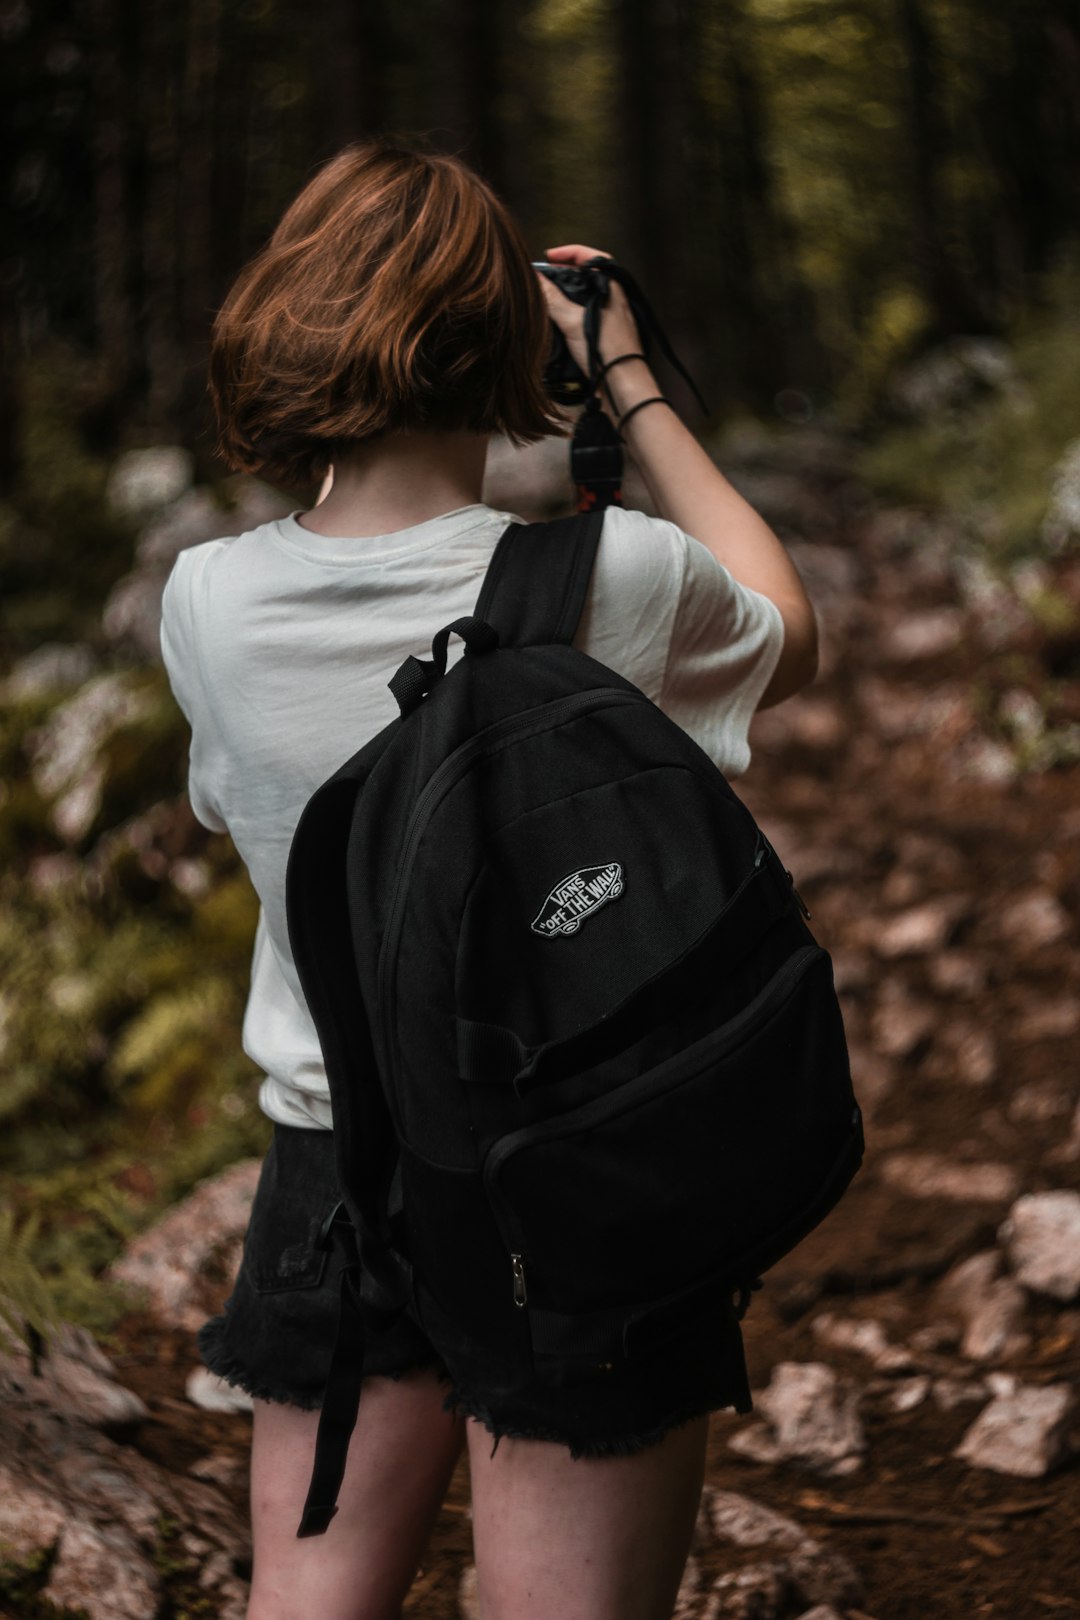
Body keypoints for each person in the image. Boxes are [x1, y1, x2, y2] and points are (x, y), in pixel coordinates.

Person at [160, 140, 818, 1620]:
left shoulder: (206, 601)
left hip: (336, 1168)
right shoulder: (616, 581)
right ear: (498, 347)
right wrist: (625, 383)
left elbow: (243, 811)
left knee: (307, 1601)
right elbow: (789, 623)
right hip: (573, 1172)